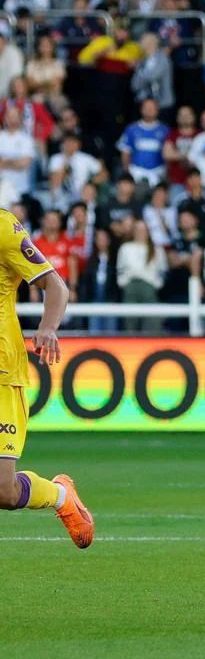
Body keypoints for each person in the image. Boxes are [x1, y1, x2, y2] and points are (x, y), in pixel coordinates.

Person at [0, 207, 93, 547]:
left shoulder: (4, 228)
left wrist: (48, 327)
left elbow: (56, 286)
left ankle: (60, 496)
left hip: (2, 375)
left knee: (4, 492)